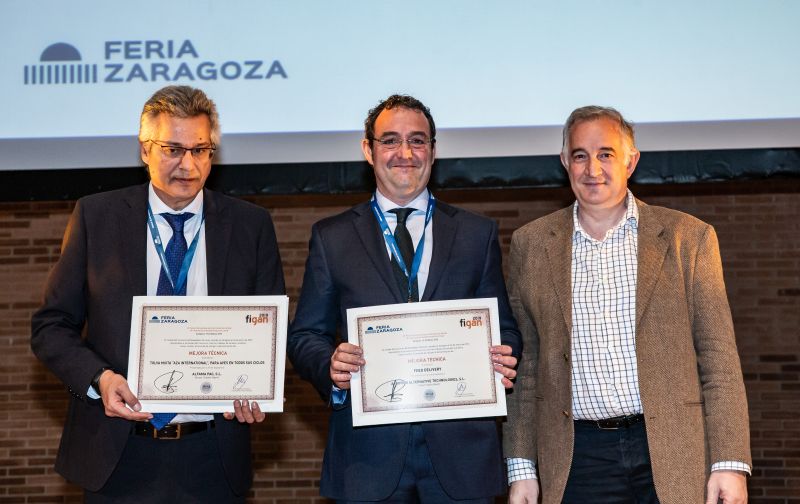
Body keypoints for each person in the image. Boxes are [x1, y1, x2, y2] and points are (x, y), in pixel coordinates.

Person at [30, 85, 285, 502]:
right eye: (173, 149)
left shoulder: (250, 225)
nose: (188, 164)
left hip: (213, 456)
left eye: (200, 150)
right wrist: (100, 379)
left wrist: (258, 387)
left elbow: (269, 332)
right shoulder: (97, 217)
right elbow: (51, 327)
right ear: (145, 150)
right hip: (117, 454)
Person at [503, 105, 751, 504]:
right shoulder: (530, 245)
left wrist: (730, 463)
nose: (592, 169)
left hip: (673, 451)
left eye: (606, 154)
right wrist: (522, 468)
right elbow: (526, 367)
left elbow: (718, 359)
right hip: (577, 460)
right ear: (564, 162)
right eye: (580, 155)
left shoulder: (690, 238)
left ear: (631, 161)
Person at [287, 94, 522, 502]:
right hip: (367, 456)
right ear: (368, 150)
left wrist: (504, 353)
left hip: (461, 454)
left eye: (417, 141)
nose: (405, 153)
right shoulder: (332, 237)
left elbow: (505, 329)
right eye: (390, 140)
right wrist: (330, 365)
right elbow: (305, 335)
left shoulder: (476, 233)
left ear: (433, 150)